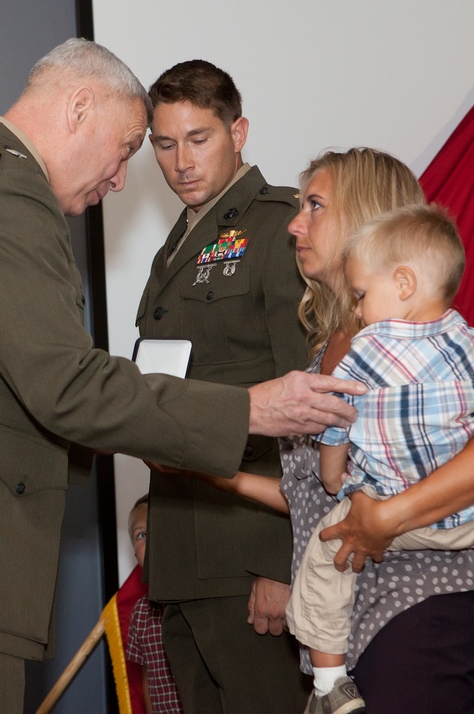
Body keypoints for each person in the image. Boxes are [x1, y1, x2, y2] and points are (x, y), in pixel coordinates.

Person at [0, 39, 361, 713]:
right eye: (133, 145)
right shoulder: (4, 191)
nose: (125, 178)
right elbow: (66, 384)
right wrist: (247, 410)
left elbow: (14, 386)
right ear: (78, 107)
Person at [281, 148, 474, 713]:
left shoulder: (409, 348)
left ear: (364, 219)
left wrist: (387, 517)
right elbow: (318, 490)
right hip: (358, 618)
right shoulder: (333, 347)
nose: (294, 223)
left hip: (416, 604)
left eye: (315, 206)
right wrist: (215, 475)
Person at [135, 59, 309, 712]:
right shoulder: (177, 243)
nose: (181, 161)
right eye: (165, 142)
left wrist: (279, 562)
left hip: (245, 551)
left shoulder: (280, 226)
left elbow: (303, 404)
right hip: (183, 554)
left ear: (238, 132)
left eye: (199, 138)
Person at [124, 495, 184, 713]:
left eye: (161, 528)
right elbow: (148, 678)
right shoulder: (140, 612)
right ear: (134, 552)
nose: (152, 541)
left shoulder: (199, 602)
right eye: (142, 535)